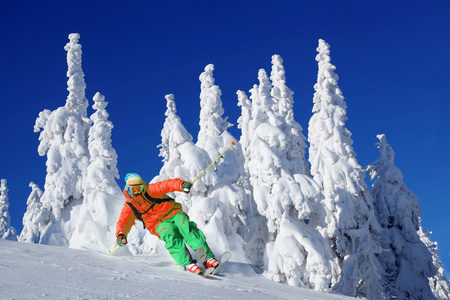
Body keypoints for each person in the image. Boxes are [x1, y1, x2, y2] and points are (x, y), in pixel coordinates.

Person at [115, 173, 218, 275]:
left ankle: (208, 259)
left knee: (186, 228)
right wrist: (121, 234)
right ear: (127, 189)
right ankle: (188, 263)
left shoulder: (150, 190)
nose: (137, 193)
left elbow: (167, 184)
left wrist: (181, 185)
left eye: (139, 188)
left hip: (173, 213)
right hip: (158, 224)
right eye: (133, 190)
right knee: (170, 236)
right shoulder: (130, 207)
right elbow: (123, 221)